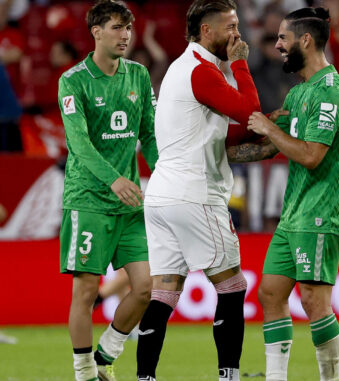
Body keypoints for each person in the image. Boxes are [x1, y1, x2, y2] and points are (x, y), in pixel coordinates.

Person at [135, 1, 261, 380]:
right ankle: (229, 376)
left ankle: (144, 378)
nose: (237, 35)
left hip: (161, 195)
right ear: (207, 31)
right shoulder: (201, 71)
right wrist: (241, 63)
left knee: (164, 293)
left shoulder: (180, 69)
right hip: (194, 193)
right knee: (233, 287)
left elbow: (227, 129)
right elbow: (249, 111)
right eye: (231, 26)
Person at [228, 7, 339, 381]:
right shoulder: (300, 93)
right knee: (270, 294)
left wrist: (269, 127)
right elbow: (268, 147)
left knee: (315, 301)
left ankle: (333, 379)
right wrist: (208, 154)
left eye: (283, 38)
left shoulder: (331, 92)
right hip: (294, 214)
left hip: (322, 212)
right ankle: (275, 378)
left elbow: (312, 156)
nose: (278, 45)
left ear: (305, 40)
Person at [57, 1, 158, 380]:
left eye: (128, 28)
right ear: (96, 32)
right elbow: (79, 144)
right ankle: (84, 372)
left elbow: (148, 133)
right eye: (117, 27)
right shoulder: (73, 80)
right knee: (84, 293)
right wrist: (114, 179)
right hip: (89, 201)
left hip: (128, 206)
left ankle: (105, 356)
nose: (126, 35)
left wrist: (164, 173)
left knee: (146, 287)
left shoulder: (139, 75)